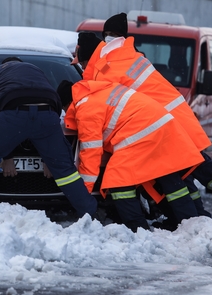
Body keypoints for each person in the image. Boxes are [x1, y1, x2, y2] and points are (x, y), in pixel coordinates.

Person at [83, 12, 212, 233]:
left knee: (193, 165)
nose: (107, 40)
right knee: (192, 165)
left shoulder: (112, 62)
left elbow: (107, 98)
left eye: (109, 35)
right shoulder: (133, 56)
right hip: (173, 114)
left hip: (164, 120)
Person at [60, 79, 203, 232]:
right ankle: (189, 221)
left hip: (142, 132)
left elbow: (91, 153)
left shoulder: (85, 108)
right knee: (167, 178)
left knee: (117, 180)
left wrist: (82, 193)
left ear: (67, 103)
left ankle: (137, 229)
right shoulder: (97, 92)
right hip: (158, 126)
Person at [0, 58, 99, 219]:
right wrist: (48, 157)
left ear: (3, 65)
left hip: (14, 113)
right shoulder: (35, 71)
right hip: (47, 114)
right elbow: (54, 104)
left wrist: (7, 156)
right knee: (64, 169)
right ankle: (90, 213)